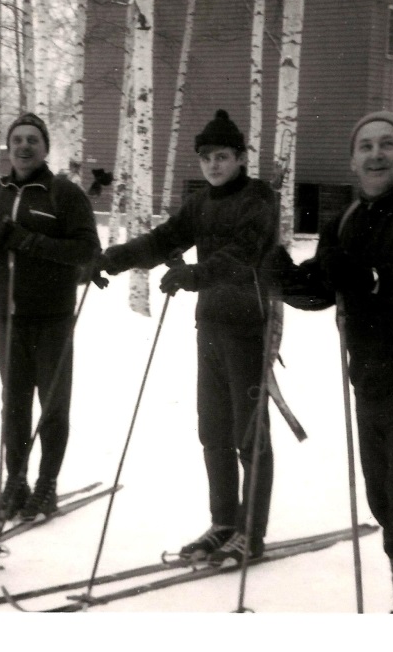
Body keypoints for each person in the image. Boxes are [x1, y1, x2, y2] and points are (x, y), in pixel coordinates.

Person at [273, 110, 393, 612]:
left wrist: (368, 276)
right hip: (372, 381)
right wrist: (279, 273)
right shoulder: (348, 218)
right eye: (366, 146)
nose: (376, 154)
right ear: (354, 160)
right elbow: (323, 289)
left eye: (387, 144)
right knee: (387, 509)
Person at [97, 109, 278, 566]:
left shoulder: (258, 198)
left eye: (222, 157)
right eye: (206, 158)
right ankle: (224, 522)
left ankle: (251, 534)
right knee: (213, 430)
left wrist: (195, 274)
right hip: (211, 327)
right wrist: (116, 258)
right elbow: (165, 238)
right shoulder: (201, 203)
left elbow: (244, 255)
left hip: (250, 328)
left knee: (248, 433)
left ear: (240, 158)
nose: (214, 166)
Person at [0, 113, 100, 522]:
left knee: (52, 406)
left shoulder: (63, 193)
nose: (23, 146)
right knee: (14, 406)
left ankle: (46, 489)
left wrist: (29, 241)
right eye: (17, 139)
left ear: (45, 147)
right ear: (8, 146)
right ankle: (15, 486)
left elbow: (88, 251)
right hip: (9, 319)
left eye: (32, 140)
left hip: (53, 319)